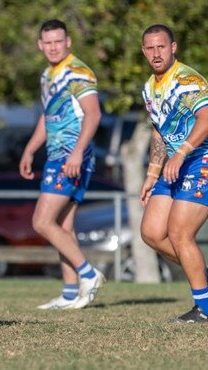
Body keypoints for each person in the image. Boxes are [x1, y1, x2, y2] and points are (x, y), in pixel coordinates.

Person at [19, 19, 104, 310]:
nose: (54, 47)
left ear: (68, 42)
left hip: (72, 156)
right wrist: (30, 150)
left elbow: (93, 115)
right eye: (48, 42)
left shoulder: (78, 72)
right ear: (41, 45)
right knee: (63, 227)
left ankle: (89, 275)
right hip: (55, 155)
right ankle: (70, 292)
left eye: (59, 41)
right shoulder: (47, 74)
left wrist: (77, 153)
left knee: (41, 221)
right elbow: (47, 116)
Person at [140, 24, 208, 323]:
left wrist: (180, 153)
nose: (156, 53)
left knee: (181, 234)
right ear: (144, 51)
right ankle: (203, 281)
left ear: (173, 47)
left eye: (161, 47)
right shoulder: (149, 88)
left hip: (199, 160)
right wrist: (152, 173)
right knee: (152, 233)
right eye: (150, 48)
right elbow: (159, 131)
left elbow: (206, 118)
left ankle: (204, 309)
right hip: (171, 167)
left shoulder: (187, 80)